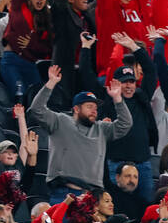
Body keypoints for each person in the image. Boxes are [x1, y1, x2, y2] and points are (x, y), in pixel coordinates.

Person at [28, 65, 132, 199]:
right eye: (89, 107)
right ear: (76, 109)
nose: (94, 111)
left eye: (96, 108)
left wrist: (118, 99)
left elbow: (125, 124)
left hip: (92, 196)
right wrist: (51, 83)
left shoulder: (102, 128)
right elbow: (36, 110)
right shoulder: (60, 121)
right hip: (64, 193)